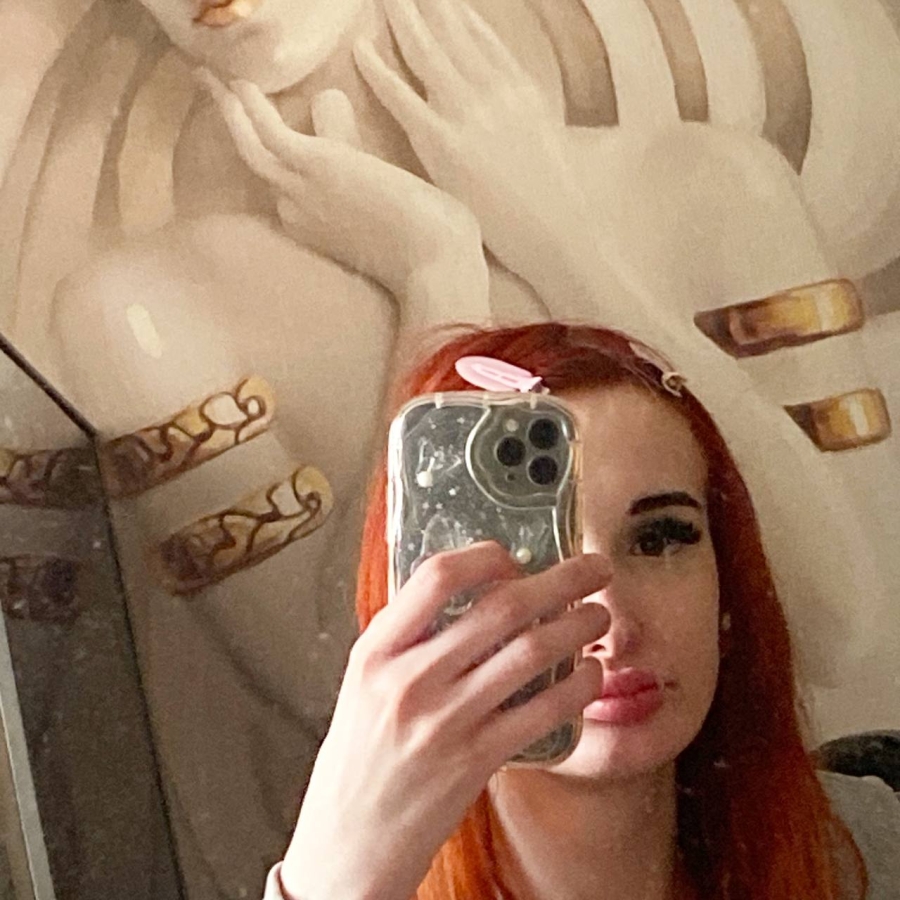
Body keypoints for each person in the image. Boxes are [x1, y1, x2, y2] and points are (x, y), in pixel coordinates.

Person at [261, 322, 900, 900]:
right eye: (533, 556)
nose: (611, 627)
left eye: (659, 540)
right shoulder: (346, 887)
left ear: (726, 593)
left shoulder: (867, 852)